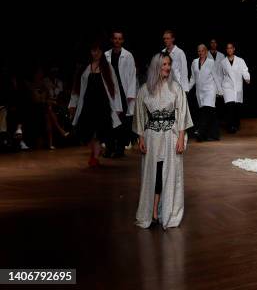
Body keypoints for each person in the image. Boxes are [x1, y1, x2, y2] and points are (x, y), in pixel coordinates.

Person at [133, 52, 193, 230]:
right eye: (163, 65)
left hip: (170, 136)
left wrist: (181, 138)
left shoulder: (176, 88)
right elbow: (140, 115)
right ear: (156, 67)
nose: (167, 68)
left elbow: (181, 114)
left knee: (168, 173)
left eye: (168, 64)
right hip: (152, 137)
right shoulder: (145, 89)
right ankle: (152, 212)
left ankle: (164, 212)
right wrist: (140, 137)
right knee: (154, 173)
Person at [69, 42, 122, 167]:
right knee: (88, 132)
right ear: (90, 52)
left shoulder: (107, 67)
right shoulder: (84, 68)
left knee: (99, 133)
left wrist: (118, 107)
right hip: (88, 105)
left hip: (102, 105)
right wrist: (73, 104)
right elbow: (77, 89)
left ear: (102, 52)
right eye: (94, 51)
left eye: (98, 51)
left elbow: (115, 88)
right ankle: (95, 153)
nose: (96, 53)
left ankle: (95, 156)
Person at [104, 30, 138, 158]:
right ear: (112, 40)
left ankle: (119, 149)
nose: (117, 41)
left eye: (120, 39)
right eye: (115, 38)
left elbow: (131, 76)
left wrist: (130, 95)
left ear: (122, 41)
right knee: (109, 120)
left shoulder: (128, 55)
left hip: (123, 93)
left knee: (122, 122)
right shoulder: (106, 55)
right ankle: (109, 147)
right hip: (110, 92)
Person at [189, 44, 222, 141]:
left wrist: (220, 91)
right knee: (210, 113)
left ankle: (201, 133)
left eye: (202, 51)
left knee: (206, 110)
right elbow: (193, 78)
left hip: (210, 90)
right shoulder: (194, 62)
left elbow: (216, 76)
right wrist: (186, 89)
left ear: (206, 51)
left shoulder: (211, 62)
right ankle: (214, 134)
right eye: (199, 51)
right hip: (200, 92)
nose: (200, 53)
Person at [220, 42, 250, 133]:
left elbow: (244, 70)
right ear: (226, 50)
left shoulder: (240, 60)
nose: (229, 50)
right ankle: (230, 126)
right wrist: (219, 89)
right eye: (227, 48)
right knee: (230, 106)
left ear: (234, 49)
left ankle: (236, 124)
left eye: (231, 48)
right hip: (227, 87)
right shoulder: (223, 62)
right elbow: (220, 75)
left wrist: (247, 78)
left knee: (236, 107)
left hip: (237, 87)